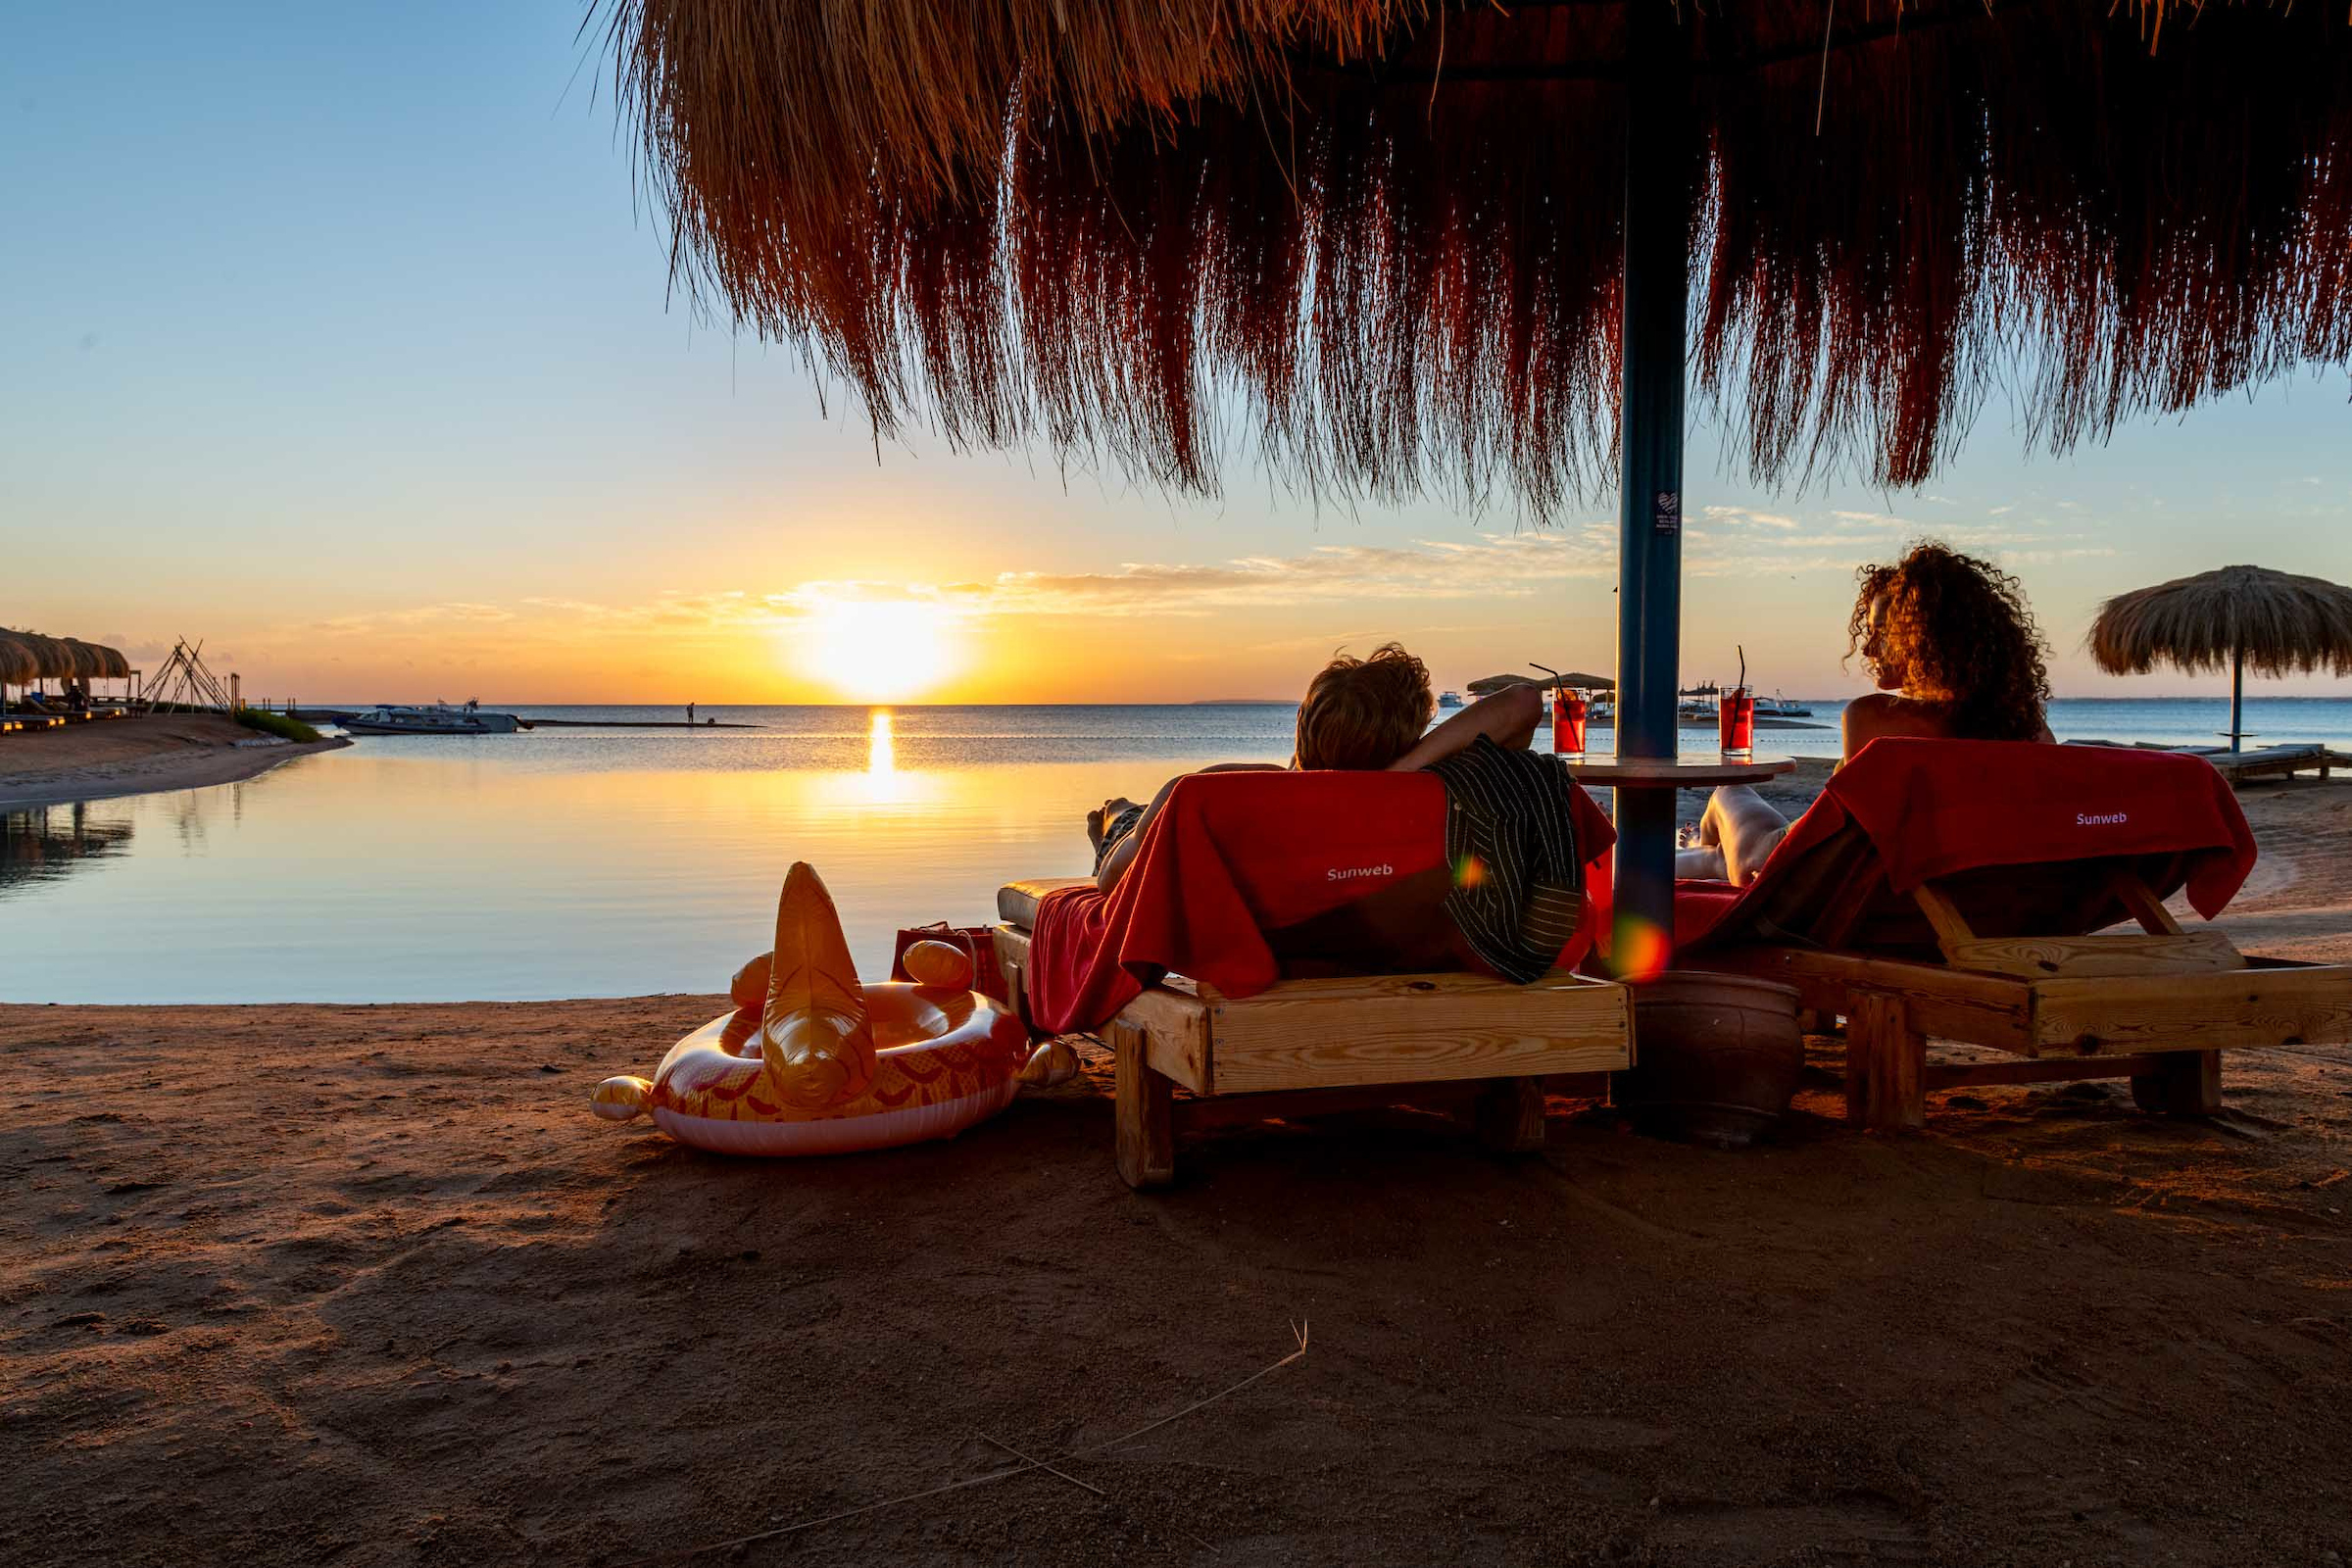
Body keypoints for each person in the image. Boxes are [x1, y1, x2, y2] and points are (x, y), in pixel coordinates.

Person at [1678, 542, 2055, 885]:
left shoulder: (1873, 718)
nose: (1869, 649)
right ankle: (1704, 854)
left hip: (1791, 868)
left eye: (1882, 633)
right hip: (1957, 897)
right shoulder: (2033, 733)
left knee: (1729, 791)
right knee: (1715, 856)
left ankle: (1699, 860)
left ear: (1924, 640)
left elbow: (1850, 846)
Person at [1087, 643, 1542, 894]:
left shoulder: (1210, 789)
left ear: (1303, 722)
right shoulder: (1427, 790)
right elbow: (1523, 701)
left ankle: (1116, 815)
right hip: (1363, 911)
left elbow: (1111, 882)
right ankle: (1121, 813)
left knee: (1127, 815)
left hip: (1181, 831)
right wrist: (1399, 773)